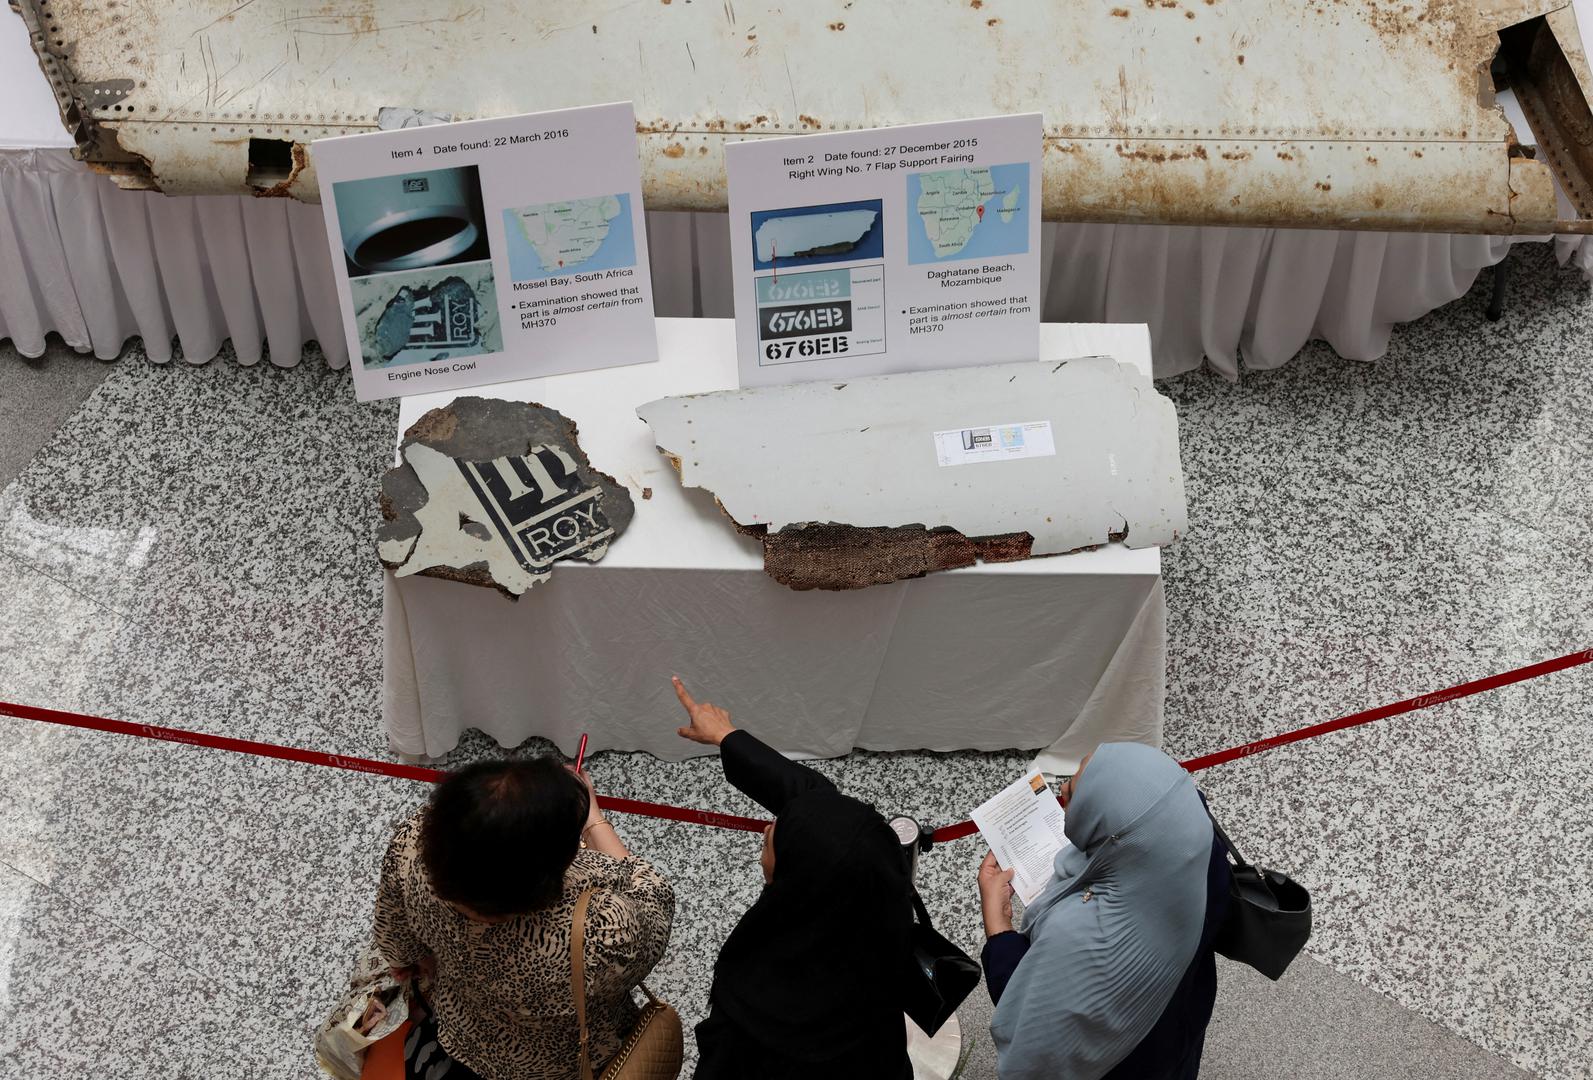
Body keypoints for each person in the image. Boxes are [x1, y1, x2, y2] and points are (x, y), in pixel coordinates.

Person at [671, 676, 915, 1080]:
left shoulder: (756, 1000)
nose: (767, 829)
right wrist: (726, 736)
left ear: (794, 883)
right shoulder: (873, 904)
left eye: (775, 839)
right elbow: (818, 801)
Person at [372, 756, 675, 1080]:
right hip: (559, 1065)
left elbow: (396, 942)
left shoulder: (411, 844)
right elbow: (655, 900)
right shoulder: (600, 933)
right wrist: (593, 821)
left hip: (462, 1032)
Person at [976, 742, 1232, 1080]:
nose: (1063, 788)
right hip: (1179, 1026)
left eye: (1073, 791)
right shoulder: (1195, 836)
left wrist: (999, 927)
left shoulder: (1081, 938)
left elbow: (1034, 1017)